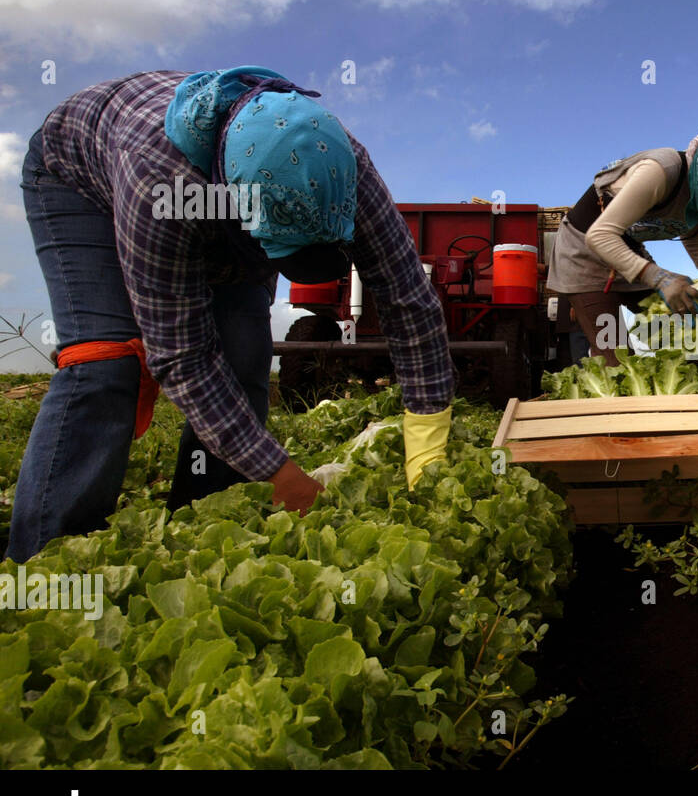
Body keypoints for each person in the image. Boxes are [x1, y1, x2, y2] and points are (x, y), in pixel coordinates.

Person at [7, 67, 454, 564]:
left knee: (244, 353)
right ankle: (47, 562)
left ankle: (203, 531)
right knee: (107, 362)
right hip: (79, 179)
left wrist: (427, 447)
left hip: (228, 196)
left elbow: (409, 300)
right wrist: (279, 472)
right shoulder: (162, 183)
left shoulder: (340, 164)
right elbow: (181, 354)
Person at [546, 115, 698, 366]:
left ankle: (695, 401)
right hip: (583, 253)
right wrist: (661, 278)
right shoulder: (662, 171)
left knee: (692, 332)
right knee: (616, 359)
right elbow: (601, 235)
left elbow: (693, 234)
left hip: (628, 251)